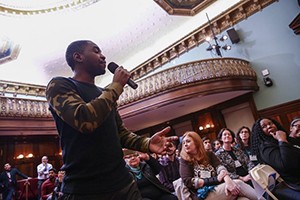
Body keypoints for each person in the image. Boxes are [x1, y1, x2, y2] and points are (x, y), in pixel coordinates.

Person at [45, 40, 178, 200]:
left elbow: (120, 133)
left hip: (124, 184)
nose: (103, 56)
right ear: (78, 56)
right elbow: (85, 120)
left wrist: (147, 143)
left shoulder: (104, 93)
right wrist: (116, 85)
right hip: (85, 189)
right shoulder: (59, 85)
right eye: (96, 51)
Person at [179, 131, 256, 200]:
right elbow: (188, 181)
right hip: (202, 194)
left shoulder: (209, 154)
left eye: (188, 141)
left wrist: (228, 180)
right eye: (183, 143)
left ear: (196, 142)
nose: (185, 144)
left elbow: (220, 168)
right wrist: (217, 179)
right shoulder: (184, 160)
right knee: (238, 183)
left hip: (219, 187)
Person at [251, 118, 300, 199]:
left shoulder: (286, 138)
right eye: (264, 126)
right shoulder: (265, 147)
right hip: (294, 182)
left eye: (270, 123)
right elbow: (286, 165)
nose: (269, 126)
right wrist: (282, 140)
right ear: (260, 132)